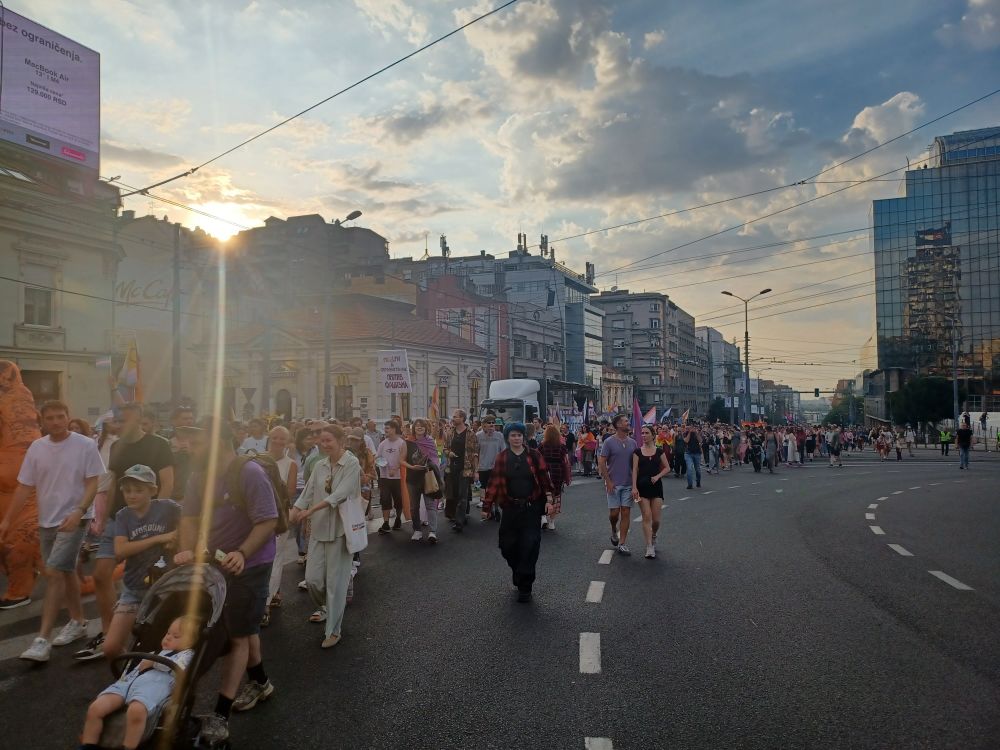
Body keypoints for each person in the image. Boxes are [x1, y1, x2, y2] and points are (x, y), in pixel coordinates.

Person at [173, 418, 279, 745]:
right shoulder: (198, 476)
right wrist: (187, 551)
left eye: (196, 443)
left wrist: (242, 553)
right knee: (244, 626)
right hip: (216, 562)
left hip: (251, 563)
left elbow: (268, 521)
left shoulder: (250, 473)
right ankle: (260, 682)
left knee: (237, 635)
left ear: (218, 442)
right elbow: (189, 518)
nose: (188, 449)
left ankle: (221, 715)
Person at [1, 400, 105, 662]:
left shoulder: (85, 445)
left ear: (68, 417)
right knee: (66, 571)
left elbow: (93, 483)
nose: (56, 422)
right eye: (50, 418)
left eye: (61, 416)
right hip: (47, 520)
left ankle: (42, 640)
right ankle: (78, 621)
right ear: (42, 422)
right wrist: (7, 521)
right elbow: (24, 486)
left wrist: (79, 511)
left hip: (75, 519)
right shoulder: (37, 447)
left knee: (54, 572)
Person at [80, 402, 174, 662]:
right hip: (118, 518)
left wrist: (158, 517)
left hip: (147, 520)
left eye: (127, 418)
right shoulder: (117, 446)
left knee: (149, 578)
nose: (122, 423)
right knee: (101, 575)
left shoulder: (158, 444)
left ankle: (153, 634)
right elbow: (113, 484)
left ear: (140, 417)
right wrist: (103, 519)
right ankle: (109, 633)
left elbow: (167, 483)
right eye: (120, 419)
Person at [79, 615, 199, 750]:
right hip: (127, 684)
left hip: (152, 689)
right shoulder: (155, 652)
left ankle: (128, 746)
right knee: (95, 708)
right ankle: (88, 745)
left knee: (136, 711)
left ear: (189, 643)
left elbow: (179, 667)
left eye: (176, 636)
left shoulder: (187, 655)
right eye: (168, 633)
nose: (168, 637)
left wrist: (153, 662)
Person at [290, 424, 361, 648]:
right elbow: (307, 493)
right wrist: (294, 511)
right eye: (322, 441)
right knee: (312, 580)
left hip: (341, 530)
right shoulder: (320, 465)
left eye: (329, 440)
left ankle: (333, 630)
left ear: (341, 441)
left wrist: (310, 511)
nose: (324, 444)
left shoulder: (351, 463)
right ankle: (326, 607)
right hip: (319, 529)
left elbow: (340, 494)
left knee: (335, 584)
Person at [102, 465, 181, 662]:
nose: (132, 495)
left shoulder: (168, 508)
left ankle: (156, 672)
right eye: (127, 490)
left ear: (153, 491)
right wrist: (159, 538)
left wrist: (177, 538)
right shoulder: (123, 515)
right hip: (134, 589)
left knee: (160, 642)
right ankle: (132, 670)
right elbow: (120, 550)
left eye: (138, 490)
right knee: (110, 648)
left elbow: (191, 522)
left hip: (165, 588)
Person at [481, 422, 555, 603]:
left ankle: (525, 586)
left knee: (529, 545)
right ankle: (518, 570)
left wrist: (549, 500)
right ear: (507, 438)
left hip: (531, 507)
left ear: (524, 437)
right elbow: (494, 482)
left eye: (519, 435)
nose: (516, 438)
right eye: (513, 435)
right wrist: (486, 507)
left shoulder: (534, 455)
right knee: (507, 546)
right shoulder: (502, 458)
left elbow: (545, 478)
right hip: (510, 508)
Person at [264, 426, 298, 622]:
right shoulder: (258, 459)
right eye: (275, 438)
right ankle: (273, 592)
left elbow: (290, 492)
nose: (277, 442)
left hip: (279, 517)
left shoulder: (290, 464)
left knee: (275, 558)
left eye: (282, 439)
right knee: (260, 560)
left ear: (288, 442)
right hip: (256, 518)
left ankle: (265, 605)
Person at [598, 414, 637, 556]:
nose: (628, 423)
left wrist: (635, 484)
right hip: (613, 484)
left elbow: (636, 464)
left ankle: (622, 543)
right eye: (626, 421)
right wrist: (608, 481)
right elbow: (602, 462)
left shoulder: (633, 443)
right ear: (618, 425)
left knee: (626, 511)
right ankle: (614, 529)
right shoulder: (609, 442)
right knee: (614, 514)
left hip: (628, 483)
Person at [632, 424, 669, 559]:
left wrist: (658, 476)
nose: (644, 435)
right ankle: (649, 546)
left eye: (646, 433)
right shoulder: (637, 452)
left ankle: (654, 534)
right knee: (646, 516)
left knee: (656, 520)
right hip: (641, 488)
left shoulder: (659, 451)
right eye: (642, 433)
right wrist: (634, 487)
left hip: (656, 487)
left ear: (653, 435)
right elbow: (634, 470)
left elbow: (667, 468)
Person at [402, 418, 440, 543]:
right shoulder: (407, 442)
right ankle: (417, 530)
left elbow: (435, 459)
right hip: (412, 479)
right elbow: (401, 460)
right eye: (417, 425)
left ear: (425, 428)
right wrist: (412, 467)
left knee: (430, 505)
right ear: (413, 428)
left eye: (422, 425)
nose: (419, 427)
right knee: (414, 507)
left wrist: (431, 466)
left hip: (427, 477)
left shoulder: (430, 441)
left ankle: (433, 532)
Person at [444, 409, 479, 533]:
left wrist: (476, 471)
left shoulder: (471, 434)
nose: (453, 418)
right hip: (451, 468)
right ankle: (458, 516)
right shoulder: (450, 432)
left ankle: (459, 522)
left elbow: (475, 453)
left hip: (465, 468)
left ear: (463, 418)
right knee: (453, 494)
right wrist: (449, 453)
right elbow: (445, 449)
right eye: (453, 417)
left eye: (455, 416)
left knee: (462, 496)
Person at [375, 420, 406, 534]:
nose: (385, 430)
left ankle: (398, 518)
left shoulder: (401, 443)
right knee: (385, 499)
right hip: (384, 477)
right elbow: (377, 458)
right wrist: (382, 463)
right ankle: (386, 523)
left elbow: (403, 459)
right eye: (385, 428)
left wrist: (395, 469)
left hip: (398, 477)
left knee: (398, 500)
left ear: (394, 429)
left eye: (387, 428)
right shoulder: (383, 444)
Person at [538, 424, 569, 531]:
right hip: (557, 471)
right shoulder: (562, 446)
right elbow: (565, 461)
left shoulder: (542, 445)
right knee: (556, 495)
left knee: (544, 494)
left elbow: (537, 458)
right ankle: (552, 522)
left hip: (545, 471)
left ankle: (543, 516)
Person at [475, 415, 505, 511]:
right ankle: (485, 505)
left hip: (495, 467)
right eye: (489, 423)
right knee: (483, 487)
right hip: (483, 466)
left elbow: (503, 451)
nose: (491, 424)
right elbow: (476, 453)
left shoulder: (499, 435)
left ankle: (496, 508)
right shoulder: (478, 436)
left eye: (493, 423)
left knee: (495, 488)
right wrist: (476, 469)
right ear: (484, 425)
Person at [683, 421, 703, 489]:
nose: (689, 429)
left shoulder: (697, 433)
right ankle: (690, 484)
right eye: (688, 428)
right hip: (688, 453)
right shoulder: (685, 433)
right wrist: (689, 432)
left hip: (697, 453)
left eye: (690, 428)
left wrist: (696, 432)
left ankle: (698, 482)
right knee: (689, 468)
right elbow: (686, 441)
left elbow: (700, 440)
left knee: (698, 470)